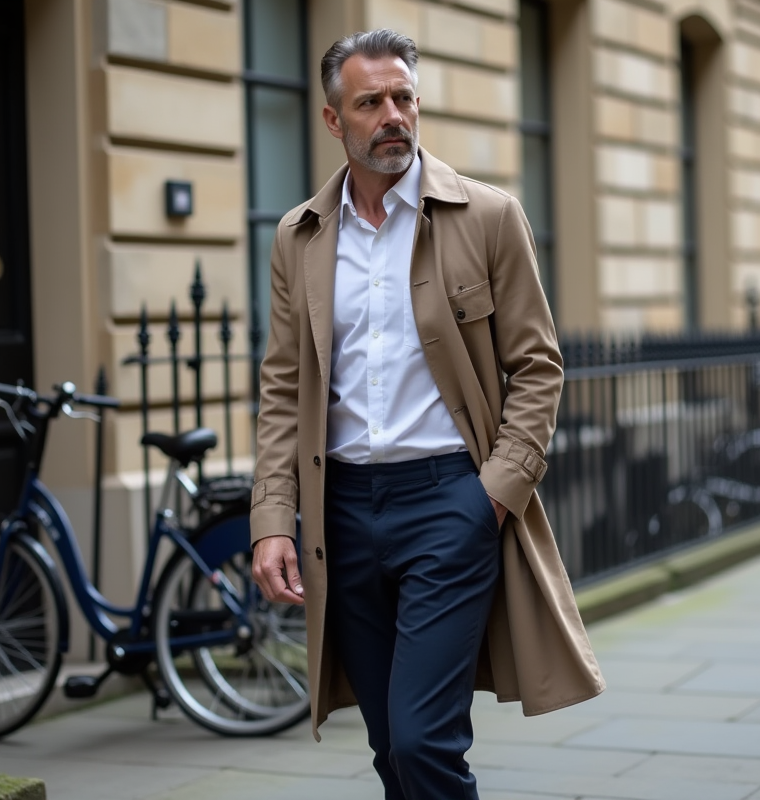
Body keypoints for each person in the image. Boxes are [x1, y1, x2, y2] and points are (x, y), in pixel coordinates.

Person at [249, 28, 604, 800]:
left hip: (449, 504)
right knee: (387, 744)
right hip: (340, 511)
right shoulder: (299, 238)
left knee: (422, 741)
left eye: (404, 98)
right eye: (370, 101)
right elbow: (283, 386)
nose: (393, 116)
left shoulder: (487, 217)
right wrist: (273, 518)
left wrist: (494, 496)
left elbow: (537, 367)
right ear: (332, 120)